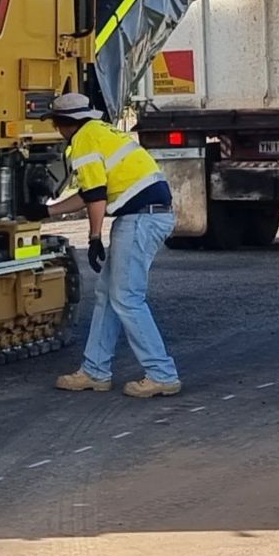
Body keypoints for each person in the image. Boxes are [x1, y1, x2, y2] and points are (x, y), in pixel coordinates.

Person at [46, 92, 182, 398]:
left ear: (63, 123)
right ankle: (95, 371)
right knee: (108, 295)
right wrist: (47, 210)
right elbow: (90, 192)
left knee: (126, 298)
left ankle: (162, 374)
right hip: (145, 215)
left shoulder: (82, 141)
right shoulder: (100, 131)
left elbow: (95, 195)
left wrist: (94, 237)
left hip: (140, 218)